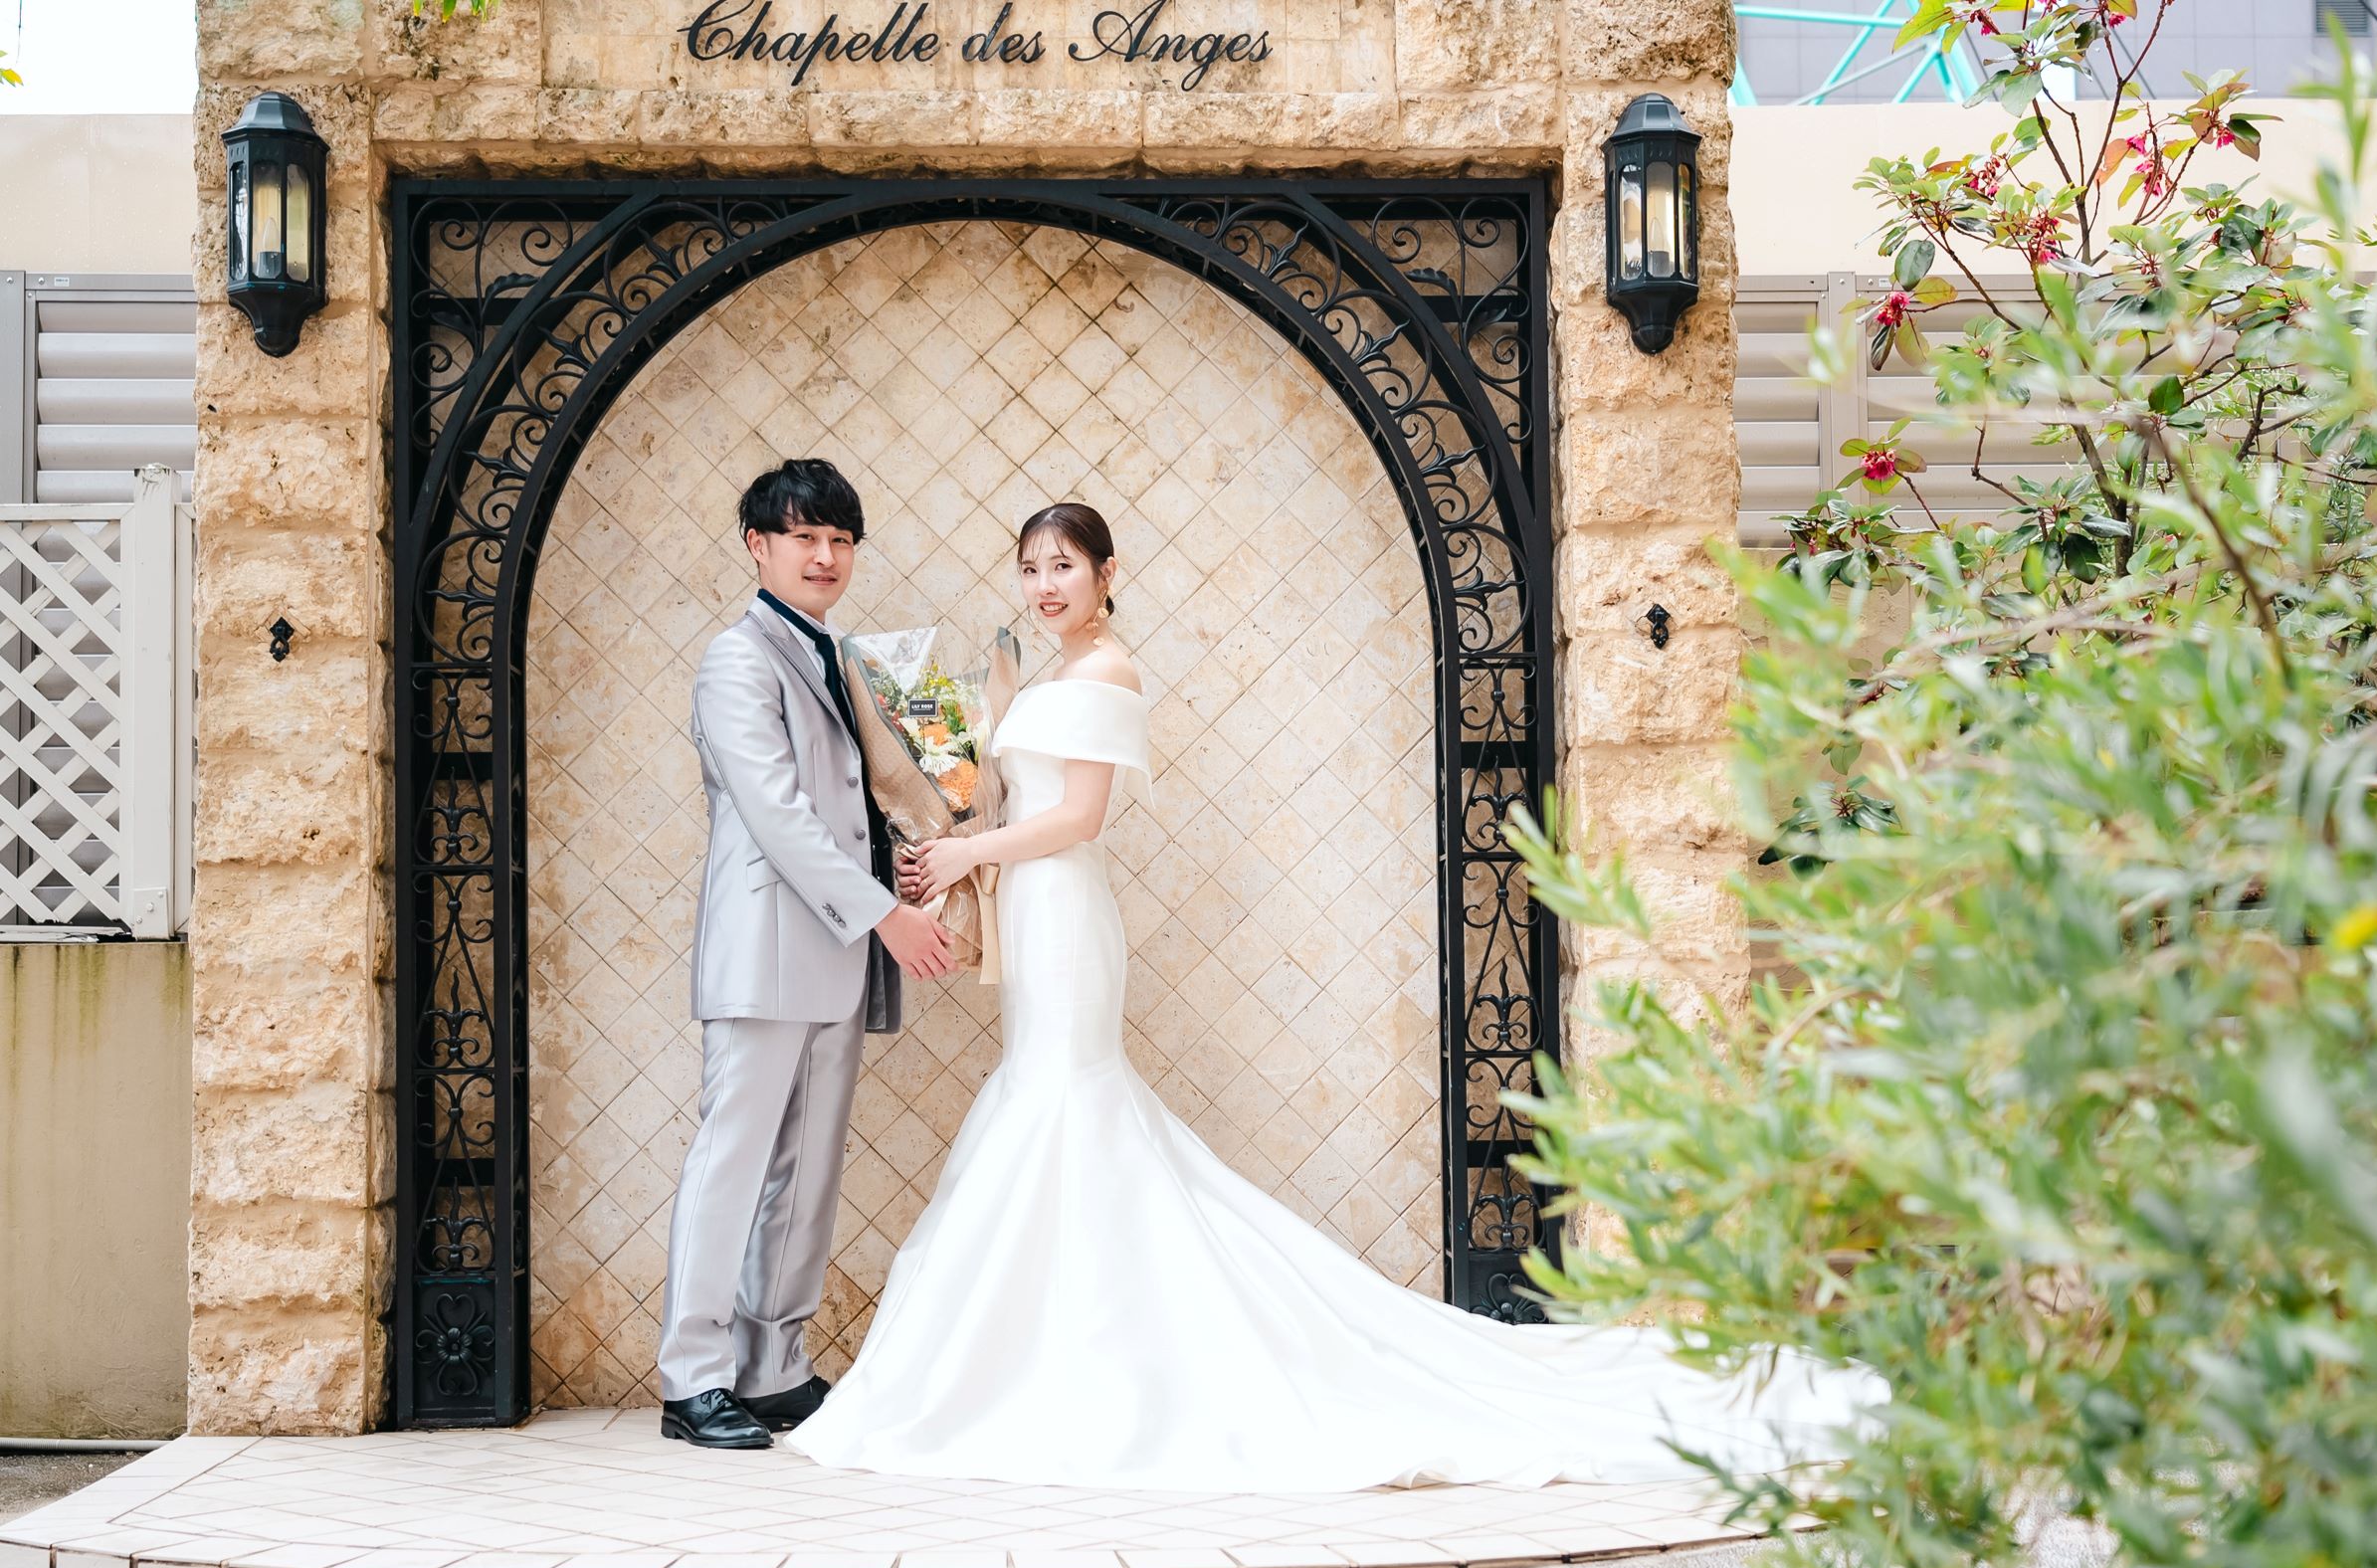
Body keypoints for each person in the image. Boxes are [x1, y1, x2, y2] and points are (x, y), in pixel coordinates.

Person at [783, 502, 1884, 1491]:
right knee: (1052, 1102)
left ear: (1107, 573)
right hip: (1033, 912)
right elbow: (1015, 799)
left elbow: (1079, 819)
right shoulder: (1038, 674)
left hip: (1067, 914)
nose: (1043, 584)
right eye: (1030, 568)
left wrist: (973, 854)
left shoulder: (1108, 670)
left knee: (1066, 1103)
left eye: (1063, 565)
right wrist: (959, 820)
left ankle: (1082, 1367)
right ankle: (1050, 1355)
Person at [657, 459, 954, 1451]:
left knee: (808, 1171)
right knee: (733, 1162)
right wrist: (884, 913)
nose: (824, 556)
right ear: (759, 545)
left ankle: (773, 1366)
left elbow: (859, 800)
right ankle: (693, 1377)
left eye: (839, 540)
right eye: (803, 537)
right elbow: (777, 813)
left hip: (839, 953)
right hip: (767, 953)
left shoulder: (841, 658)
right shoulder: (736, 660)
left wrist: (915, 849)